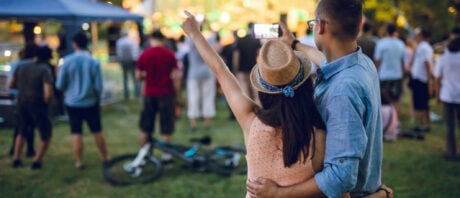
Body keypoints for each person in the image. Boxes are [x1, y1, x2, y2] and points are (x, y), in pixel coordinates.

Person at [247, 0, 387, 197]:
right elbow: (325, 61)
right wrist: (295, 44)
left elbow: (340, 177)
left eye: (313, 23)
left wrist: (279, 193)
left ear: (320, 26)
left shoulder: (342, 91)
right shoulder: (362, 63)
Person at [182, 11, 328, 198]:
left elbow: (220, 70)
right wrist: (295, 44)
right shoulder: (320, 135)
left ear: (264, 91)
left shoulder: (251, 121)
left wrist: (195, 33)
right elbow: (330, 185)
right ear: (306, 85)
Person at [56, 32, 110, 169]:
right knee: (97, 130)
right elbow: (98, 86)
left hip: (72, 103)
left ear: (74, 44)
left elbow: (60, 85)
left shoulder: (67, 61)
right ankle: (105, 157)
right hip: (91, 102)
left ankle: (79, 161)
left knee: (76, 131)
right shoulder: (94, 61)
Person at [135, 30, 181, 162]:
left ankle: (144, 155)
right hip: (166, 94)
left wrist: (146, 74)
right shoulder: (170, 54)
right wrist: (178, 97)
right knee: (166, 126)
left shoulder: (144, 54)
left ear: (151, 39)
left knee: (146, 126)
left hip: (149, 94)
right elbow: (176, 77)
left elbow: (138, 76)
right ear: (163, 40)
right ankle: (166, 155)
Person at [9, 46, 54, 170]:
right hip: (38, 104)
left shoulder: (21, 67)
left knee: (22, 131)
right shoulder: (44, 69)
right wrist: (48, 104)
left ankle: (16, 159)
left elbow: (11, 84)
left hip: (22, 102)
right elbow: (48, 93)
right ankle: (37, 161)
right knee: (45, 133)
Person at [8, 43, 38, 158]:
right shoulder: (35, 65)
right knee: (30, 124)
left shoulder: (16, 65)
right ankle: (29, 149)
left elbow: (10, 85)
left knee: (20, 125)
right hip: (32, 98)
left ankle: (14, 149)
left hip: (18, 98)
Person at [185, 26, 217, 131]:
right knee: (208, 97)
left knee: (193, 97)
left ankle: (193, 123)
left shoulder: (191, 41)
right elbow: (214, 35)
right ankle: (207, 123)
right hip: (207, 72)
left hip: (193, 74)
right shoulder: (208, 41)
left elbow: (187, 34)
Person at [434, 37, 460, 161]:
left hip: (447, 94)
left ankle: (451, 152)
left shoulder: (443, 59)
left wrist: (437, 95)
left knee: (449, 126)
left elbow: (437, 79)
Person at [374, 23, 406, 118]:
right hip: (397, 75)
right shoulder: (400, 44)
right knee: (396, 101)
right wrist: (403, 76)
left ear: (386, 31)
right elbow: (402, 62)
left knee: (384, 102)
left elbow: (377, 61)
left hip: (384, 76)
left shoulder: (381, 43)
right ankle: (396, 123)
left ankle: (386, 122)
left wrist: (374, 74)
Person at [408, 28, 434, 136]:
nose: (416, 37)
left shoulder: (424, 48)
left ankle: (422, 124)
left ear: (423, 36)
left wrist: (430, 79)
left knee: (420, 103)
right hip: (420, 77)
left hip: (421, 78)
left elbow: (427, 63)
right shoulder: (422, 47)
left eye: (418, 35)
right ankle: (427, 124)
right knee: (423, 102)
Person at [233, 22, 262, 103]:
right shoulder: (256, 41)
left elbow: (236, 56)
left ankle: (248, 105)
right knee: (255, 88)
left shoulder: (240, 40)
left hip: (242, 68)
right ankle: (257, 105)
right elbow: (259, 55)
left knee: (244, 88)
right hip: (253, 67)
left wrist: (236, 68)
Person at [116, 31, 141, 100]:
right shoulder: (132, 41)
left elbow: (119, 53)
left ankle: (126, 95)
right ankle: (137, 94)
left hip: (124, 61)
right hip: (133, 61)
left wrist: (120, 61)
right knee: (135, 78)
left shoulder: (119, 42)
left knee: (125, 78)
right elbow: (136, 51)